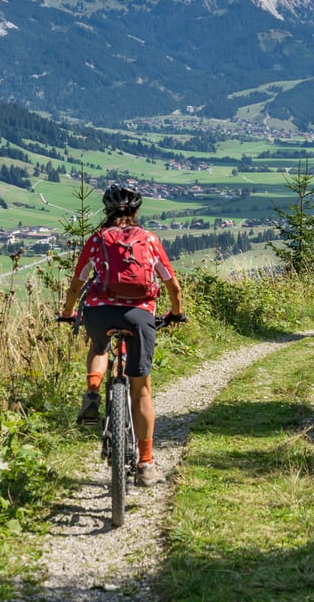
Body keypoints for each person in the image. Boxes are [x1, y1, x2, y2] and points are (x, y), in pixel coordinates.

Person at [59, 183, 185, 487]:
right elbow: (173, 286)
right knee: (141, 389)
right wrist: (176, 313)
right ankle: (145, 463)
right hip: (140, 315)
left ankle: (92, 392)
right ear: (136, 212)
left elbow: (77, 283)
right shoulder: (150, 240)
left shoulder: (98, 239)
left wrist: (67, 312)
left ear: (107, 211)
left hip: (100, 313)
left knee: (99, 346)